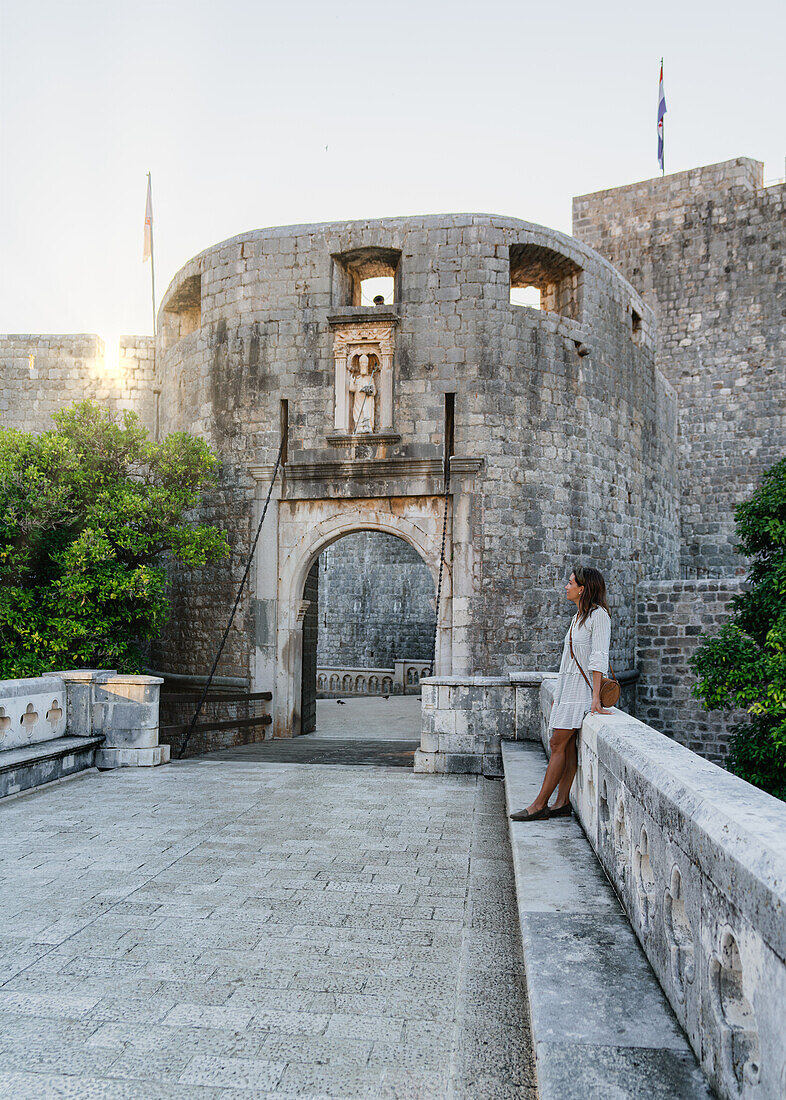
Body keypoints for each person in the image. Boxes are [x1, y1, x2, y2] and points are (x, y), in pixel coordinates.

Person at [510, 565, 613, 822]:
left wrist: (595, 698)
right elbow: (569, 659)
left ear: (583, 588)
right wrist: (561, 692)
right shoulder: (577, 617)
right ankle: (562, 801)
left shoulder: (598, 616)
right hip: (570, 689)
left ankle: (539, 805)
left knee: (557, 743)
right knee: (565, 747)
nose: (566, 587)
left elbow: (599, 657)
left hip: (584, 691)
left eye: (570, 583)